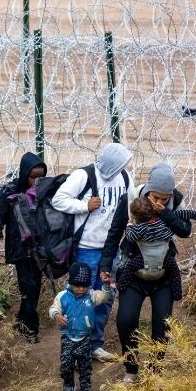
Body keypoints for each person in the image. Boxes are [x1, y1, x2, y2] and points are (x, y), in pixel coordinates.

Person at [99, 163, 195, 384]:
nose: (159, 202)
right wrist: (105, 266)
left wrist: (166, 213)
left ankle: (155, 371)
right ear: (148, 189)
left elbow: (185, 230)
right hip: (134, 271)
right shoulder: (131, 198)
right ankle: (131, 370)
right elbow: (114, 234)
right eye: (156, 197)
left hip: (162, 272)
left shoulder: (175, 200)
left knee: (162, 324)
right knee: (126, 320)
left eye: (165, 198)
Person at [51, 142, 133, 362]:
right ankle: (75, 346)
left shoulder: (124, 177)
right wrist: (84, 206)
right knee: (81, 299)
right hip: (86, 249)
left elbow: (132, 203)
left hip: (112, 250)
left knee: (105, 298)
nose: (124, 167)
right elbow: (58, 199)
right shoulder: (84, 175)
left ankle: (95, 345)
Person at [0, 152, 47, 343]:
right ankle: (30, 330)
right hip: (20, 249)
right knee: (28, 287)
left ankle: (22, 321)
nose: (36, 181)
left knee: (34, 288)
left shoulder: (43, 192)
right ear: (24, 174)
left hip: (38, 249)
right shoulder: (11, 192)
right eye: (33, 177)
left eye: (40, 177)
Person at [49, 262, 113, 391]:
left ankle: (85, 390)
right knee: (66, 365)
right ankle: (69, 385)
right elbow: (53, 308)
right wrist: (57, 315)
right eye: (78, 286)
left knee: (85, 367)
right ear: (71, 283)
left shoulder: (91, 295)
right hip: (67, 337)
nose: (81, 289)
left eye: (85, 286)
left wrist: (107, 285)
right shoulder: (62, 296)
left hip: (85, 338)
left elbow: (104, 297)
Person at [119, 196, 196, 300]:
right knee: (174, 272)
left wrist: (130, 225)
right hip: (164, 256)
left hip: (144, 258)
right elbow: (183, 213)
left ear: (136, 216)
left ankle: (121, 287)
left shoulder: (139, 229)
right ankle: (177, 294)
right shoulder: (164, 222)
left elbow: (130, 237)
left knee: (129, 267)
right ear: (153, 209)